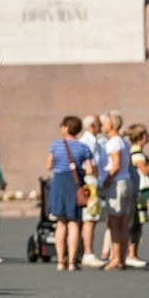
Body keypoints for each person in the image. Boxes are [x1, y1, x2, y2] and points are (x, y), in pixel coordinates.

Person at [45, 115, 95, 271]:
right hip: (75, 183)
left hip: (59, 182)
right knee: (74, 223)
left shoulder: (56, 145)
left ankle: (60, 261)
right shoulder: (82, 147)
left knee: (61, 223)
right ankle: (72, 262)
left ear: (66, 128)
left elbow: (49, 165)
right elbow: (91, 169)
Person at [100, 111, 134, 271]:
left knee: (114, 223)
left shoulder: (114, 142)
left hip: (116, 184)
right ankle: (121, 257)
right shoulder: (123, 142)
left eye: (105, 122)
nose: (103, 125)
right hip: (126, 181)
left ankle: (116, 258)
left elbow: (116, 164)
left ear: (111, 125)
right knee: (123, 223)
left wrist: (106, 181)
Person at [78, 114, 108, 267]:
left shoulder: (95, 140)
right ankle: (88, 252)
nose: (101, 127)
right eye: (98, 124)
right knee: (89, 218)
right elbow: (89, 165)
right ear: (91, 126)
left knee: (93, 218)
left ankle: (87, 251)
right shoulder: (86, 141)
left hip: (94, 181)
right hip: (90, 181)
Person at [125, 123, 149, 269]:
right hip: (137, 191)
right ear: (141, 137)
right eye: (146, 134)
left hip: (137, 190)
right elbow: (145, 170)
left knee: (136, 222)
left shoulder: (134, 151)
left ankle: (132, 254)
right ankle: (132, 254)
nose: (148, 136)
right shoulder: (137, 152)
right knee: (135, 223)